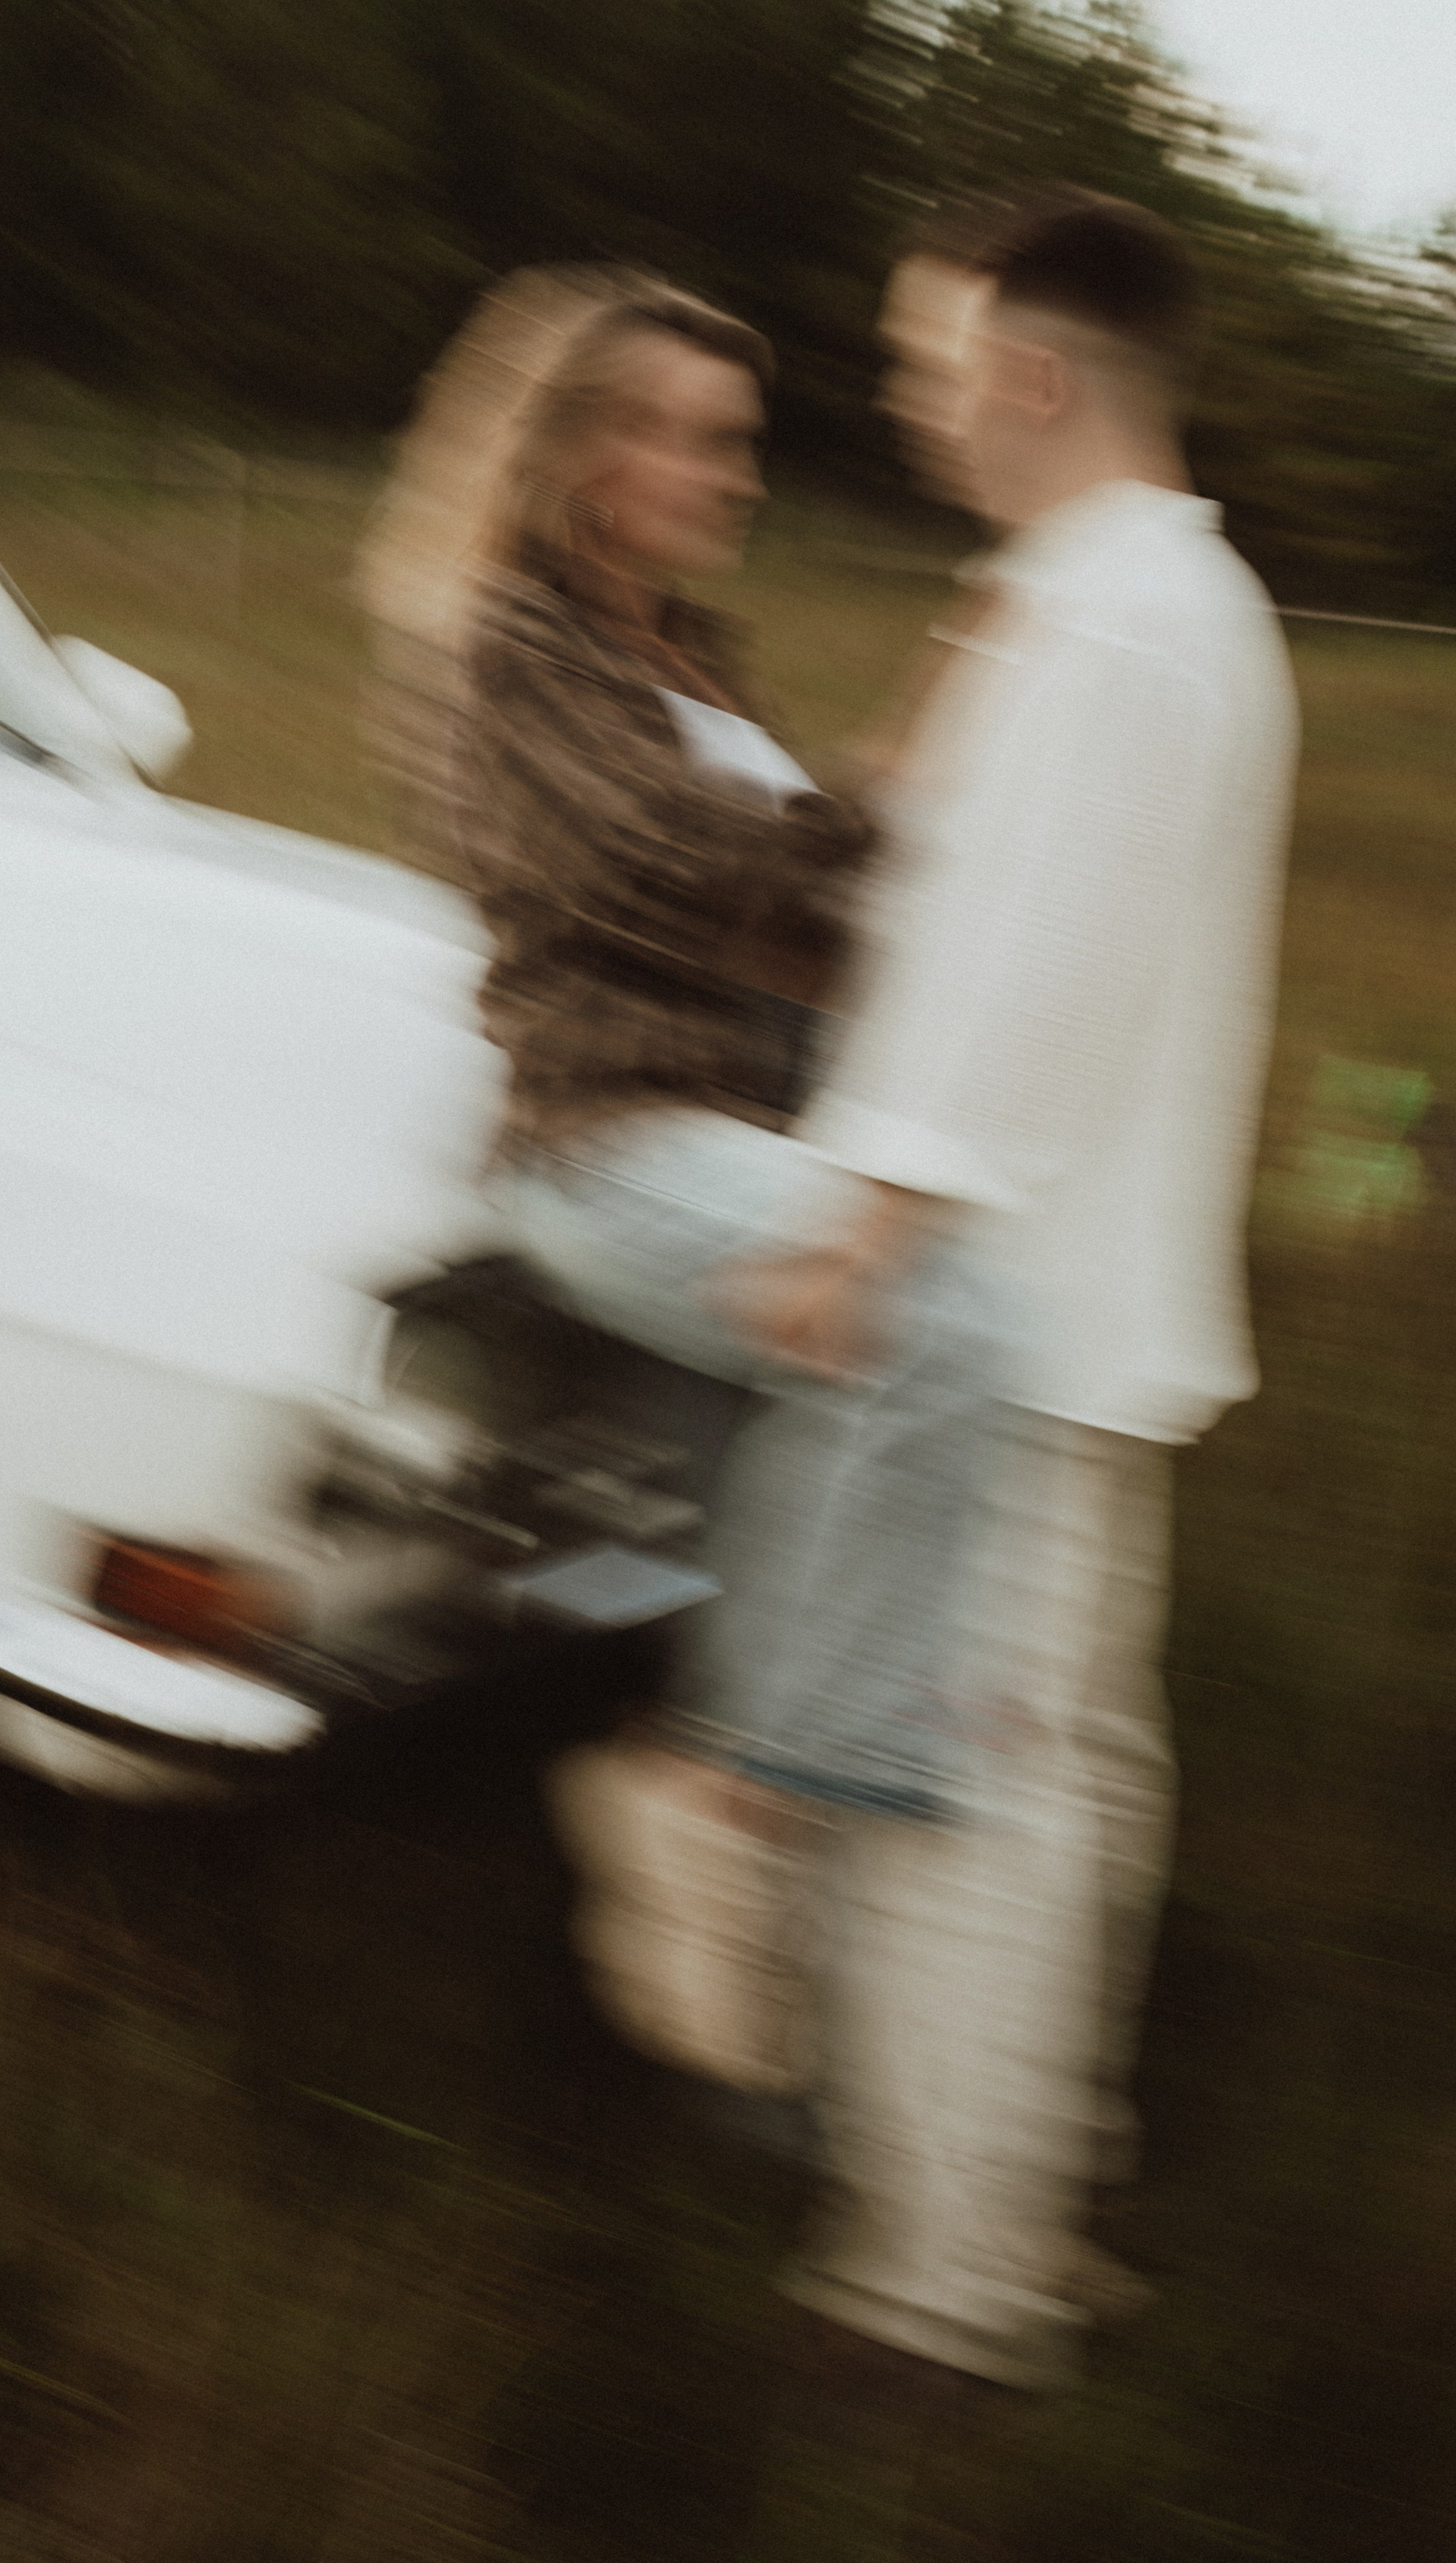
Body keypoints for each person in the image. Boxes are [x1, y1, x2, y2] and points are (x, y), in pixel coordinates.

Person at [701, 188, 1299, 2387]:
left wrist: (867, 1230)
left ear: (1031, 373)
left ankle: (944, 2271)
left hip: (1007, 1319)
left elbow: (1022, 984)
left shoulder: (1119, 626)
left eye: (921, 354)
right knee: (1066, 1782)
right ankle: (1039, 2181)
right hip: (1081, 1305)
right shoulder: (1133, 601)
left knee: (960, 1794)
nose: (898, 391)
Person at [359, 267, 1016, 2077]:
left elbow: (809, 914)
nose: (720, 468)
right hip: (608, 1152)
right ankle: (706, 1792)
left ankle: (779, 2115)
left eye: (733, 435)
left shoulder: (691, 656)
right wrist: (916, 757)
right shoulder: (496, 642)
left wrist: (851, 875)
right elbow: (663, 867)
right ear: (575, 444)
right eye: (672, 428)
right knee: (946, 1331)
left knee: (775, 1585)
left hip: (758, 1143)